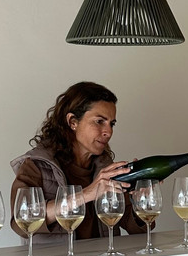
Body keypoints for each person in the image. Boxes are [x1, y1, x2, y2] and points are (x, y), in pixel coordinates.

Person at [10, 82, 146, 243]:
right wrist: (86, 194)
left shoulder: (106, 168)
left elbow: (134, 227)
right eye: (99, 121)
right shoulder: (37, 165)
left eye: (112, 124)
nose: (108, 132)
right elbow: (21, 223)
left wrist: (140, 202)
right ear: (72, 121)